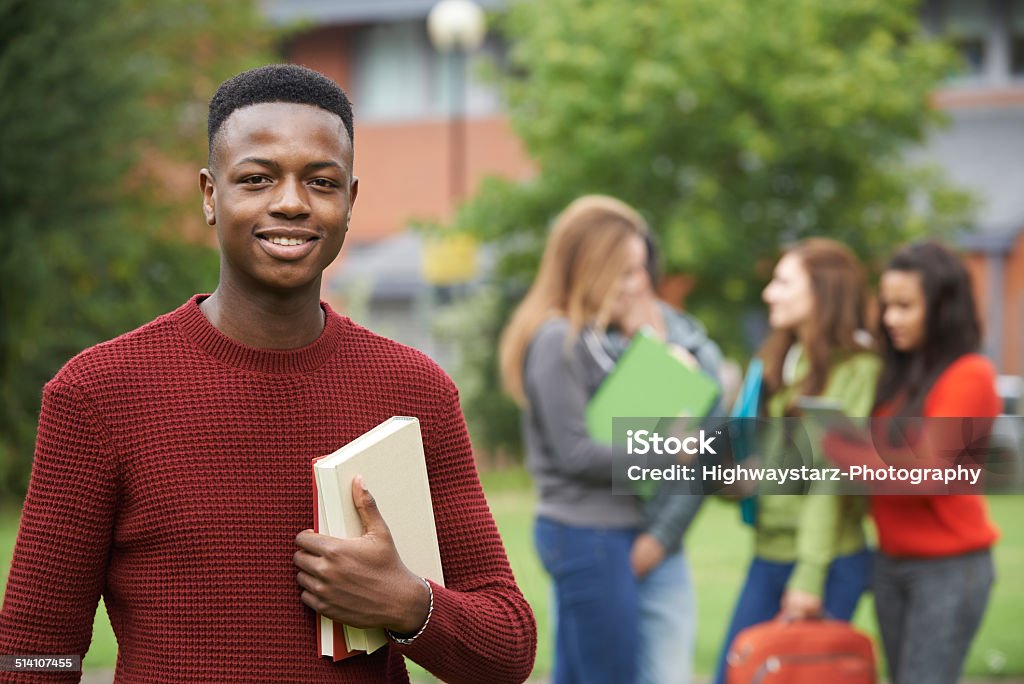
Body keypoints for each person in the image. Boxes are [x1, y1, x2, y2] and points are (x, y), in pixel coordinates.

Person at [0, 64, 535, 683]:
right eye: (256, 178)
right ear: (210, 194)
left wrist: (409, 603)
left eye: (321, 181)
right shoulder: (99, 392)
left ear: (350, 201)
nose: (290, 202)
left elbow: (508, 649)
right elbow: (34, 649)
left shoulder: (414, 392)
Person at [499, 195, 718, 684]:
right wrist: (667, 453)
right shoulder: (557, 338)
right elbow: (577, 453)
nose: (638, 285)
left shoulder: (593, 337)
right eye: (625, 272)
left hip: (604, 533)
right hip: (586, 535)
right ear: (591, 267)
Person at [827, 240, 1000, 684]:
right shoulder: (898, 377)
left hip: (948, 567)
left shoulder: (970, 374)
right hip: (890, 560)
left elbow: (929, 474)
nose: (890, 319)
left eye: (905, 306)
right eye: (886, 306)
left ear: (942, 307)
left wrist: (844, 451)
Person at [713, 238, 880, 684]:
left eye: (784, 282)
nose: (769, 293)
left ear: (822, 291)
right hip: (768, 553)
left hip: (825, 564)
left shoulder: (857, 369)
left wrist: (809, 575)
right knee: (731, 674)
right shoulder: (777, 363)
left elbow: (830, 479)